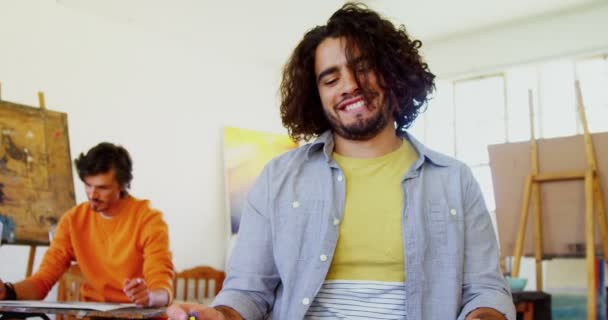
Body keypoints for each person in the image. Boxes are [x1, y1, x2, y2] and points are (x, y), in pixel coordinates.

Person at [168, 3, 515, 319]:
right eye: (331, 79)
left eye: (363, 68)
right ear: (316, 96)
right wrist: (218, 315)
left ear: (392, 74)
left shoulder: (455, 180)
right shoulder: (278, 178)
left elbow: (486, 290)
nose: (349, 85)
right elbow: (247, 292)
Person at [0, 142, 174, 307]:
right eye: (87, 185)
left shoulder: (148, 220)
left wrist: (149, 297)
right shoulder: (73, 220)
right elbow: (43, 280)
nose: (92, 195)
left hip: (142, 315)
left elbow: (163, 288)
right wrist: (8, 292)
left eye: (102, 188)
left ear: (122, 185)